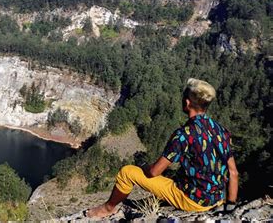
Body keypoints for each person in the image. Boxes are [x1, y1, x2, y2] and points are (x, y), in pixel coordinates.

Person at [87, 78, 239, 218]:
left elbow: (154, 172)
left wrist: (142, 165)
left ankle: (107, 208)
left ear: (187, 103)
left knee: (127, 173)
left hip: (193, 201)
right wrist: (229, 206)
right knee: (171, 179)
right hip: (218, 199)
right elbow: (233, 173)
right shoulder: (221, 130)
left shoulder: (184, 134)